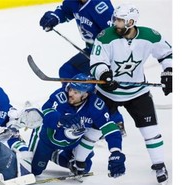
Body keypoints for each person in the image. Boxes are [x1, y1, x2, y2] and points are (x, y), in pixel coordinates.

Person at [89, 4, 172, 185]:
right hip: (107, 93)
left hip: (137, 92)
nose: (115, 23)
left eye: (120, 20)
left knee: (151, 132)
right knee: (93, 129)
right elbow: (97, 61)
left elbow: (167, 54)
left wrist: (169, 73)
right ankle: (78, 162)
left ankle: (159, 164)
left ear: (131, 22)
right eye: (116, 19)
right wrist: (104, 75)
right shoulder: (105, 37)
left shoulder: (151, 36)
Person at [39, 0, 126, 136]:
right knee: (67, 71)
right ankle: (73, 110)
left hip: (105, 54)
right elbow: (65, 11)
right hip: (90, 50)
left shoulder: (100, 7)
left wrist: (109, 61)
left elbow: (115, 34)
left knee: (100, 86)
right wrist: (55, 17)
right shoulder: (73, 1)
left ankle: (115, 122)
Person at [28, 73, 126, 178]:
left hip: (72, 142)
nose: (70, 94)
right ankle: (28, 147)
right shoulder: (60, 96)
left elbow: (109, 128)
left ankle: (56, 156)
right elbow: (46, 113)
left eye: (76, 92)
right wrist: (59, 120)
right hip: (47, 139)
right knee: (34, 171)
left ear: (85, 95)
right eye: (70, 89)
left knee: (84, 167)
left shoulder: (95, 105)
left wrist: (116, 151)